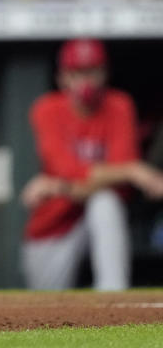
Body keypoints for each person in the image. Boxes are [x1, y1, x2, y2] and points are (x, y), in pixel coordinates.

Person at [21, 39, 163, 290]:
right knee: (45, 307)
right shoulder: (46, 109)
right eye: (76, 73)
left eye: (92, 71)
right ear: (62, 77)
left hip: (94, 209)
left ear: (105, 73)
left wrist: (57, 186)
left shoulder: (119, 105)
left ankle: (112, 294)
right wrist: (132, 170)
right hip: (55, 222)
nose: (85, 81)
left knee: (105, 201)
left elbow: (117, 180)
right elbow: (67, 169)